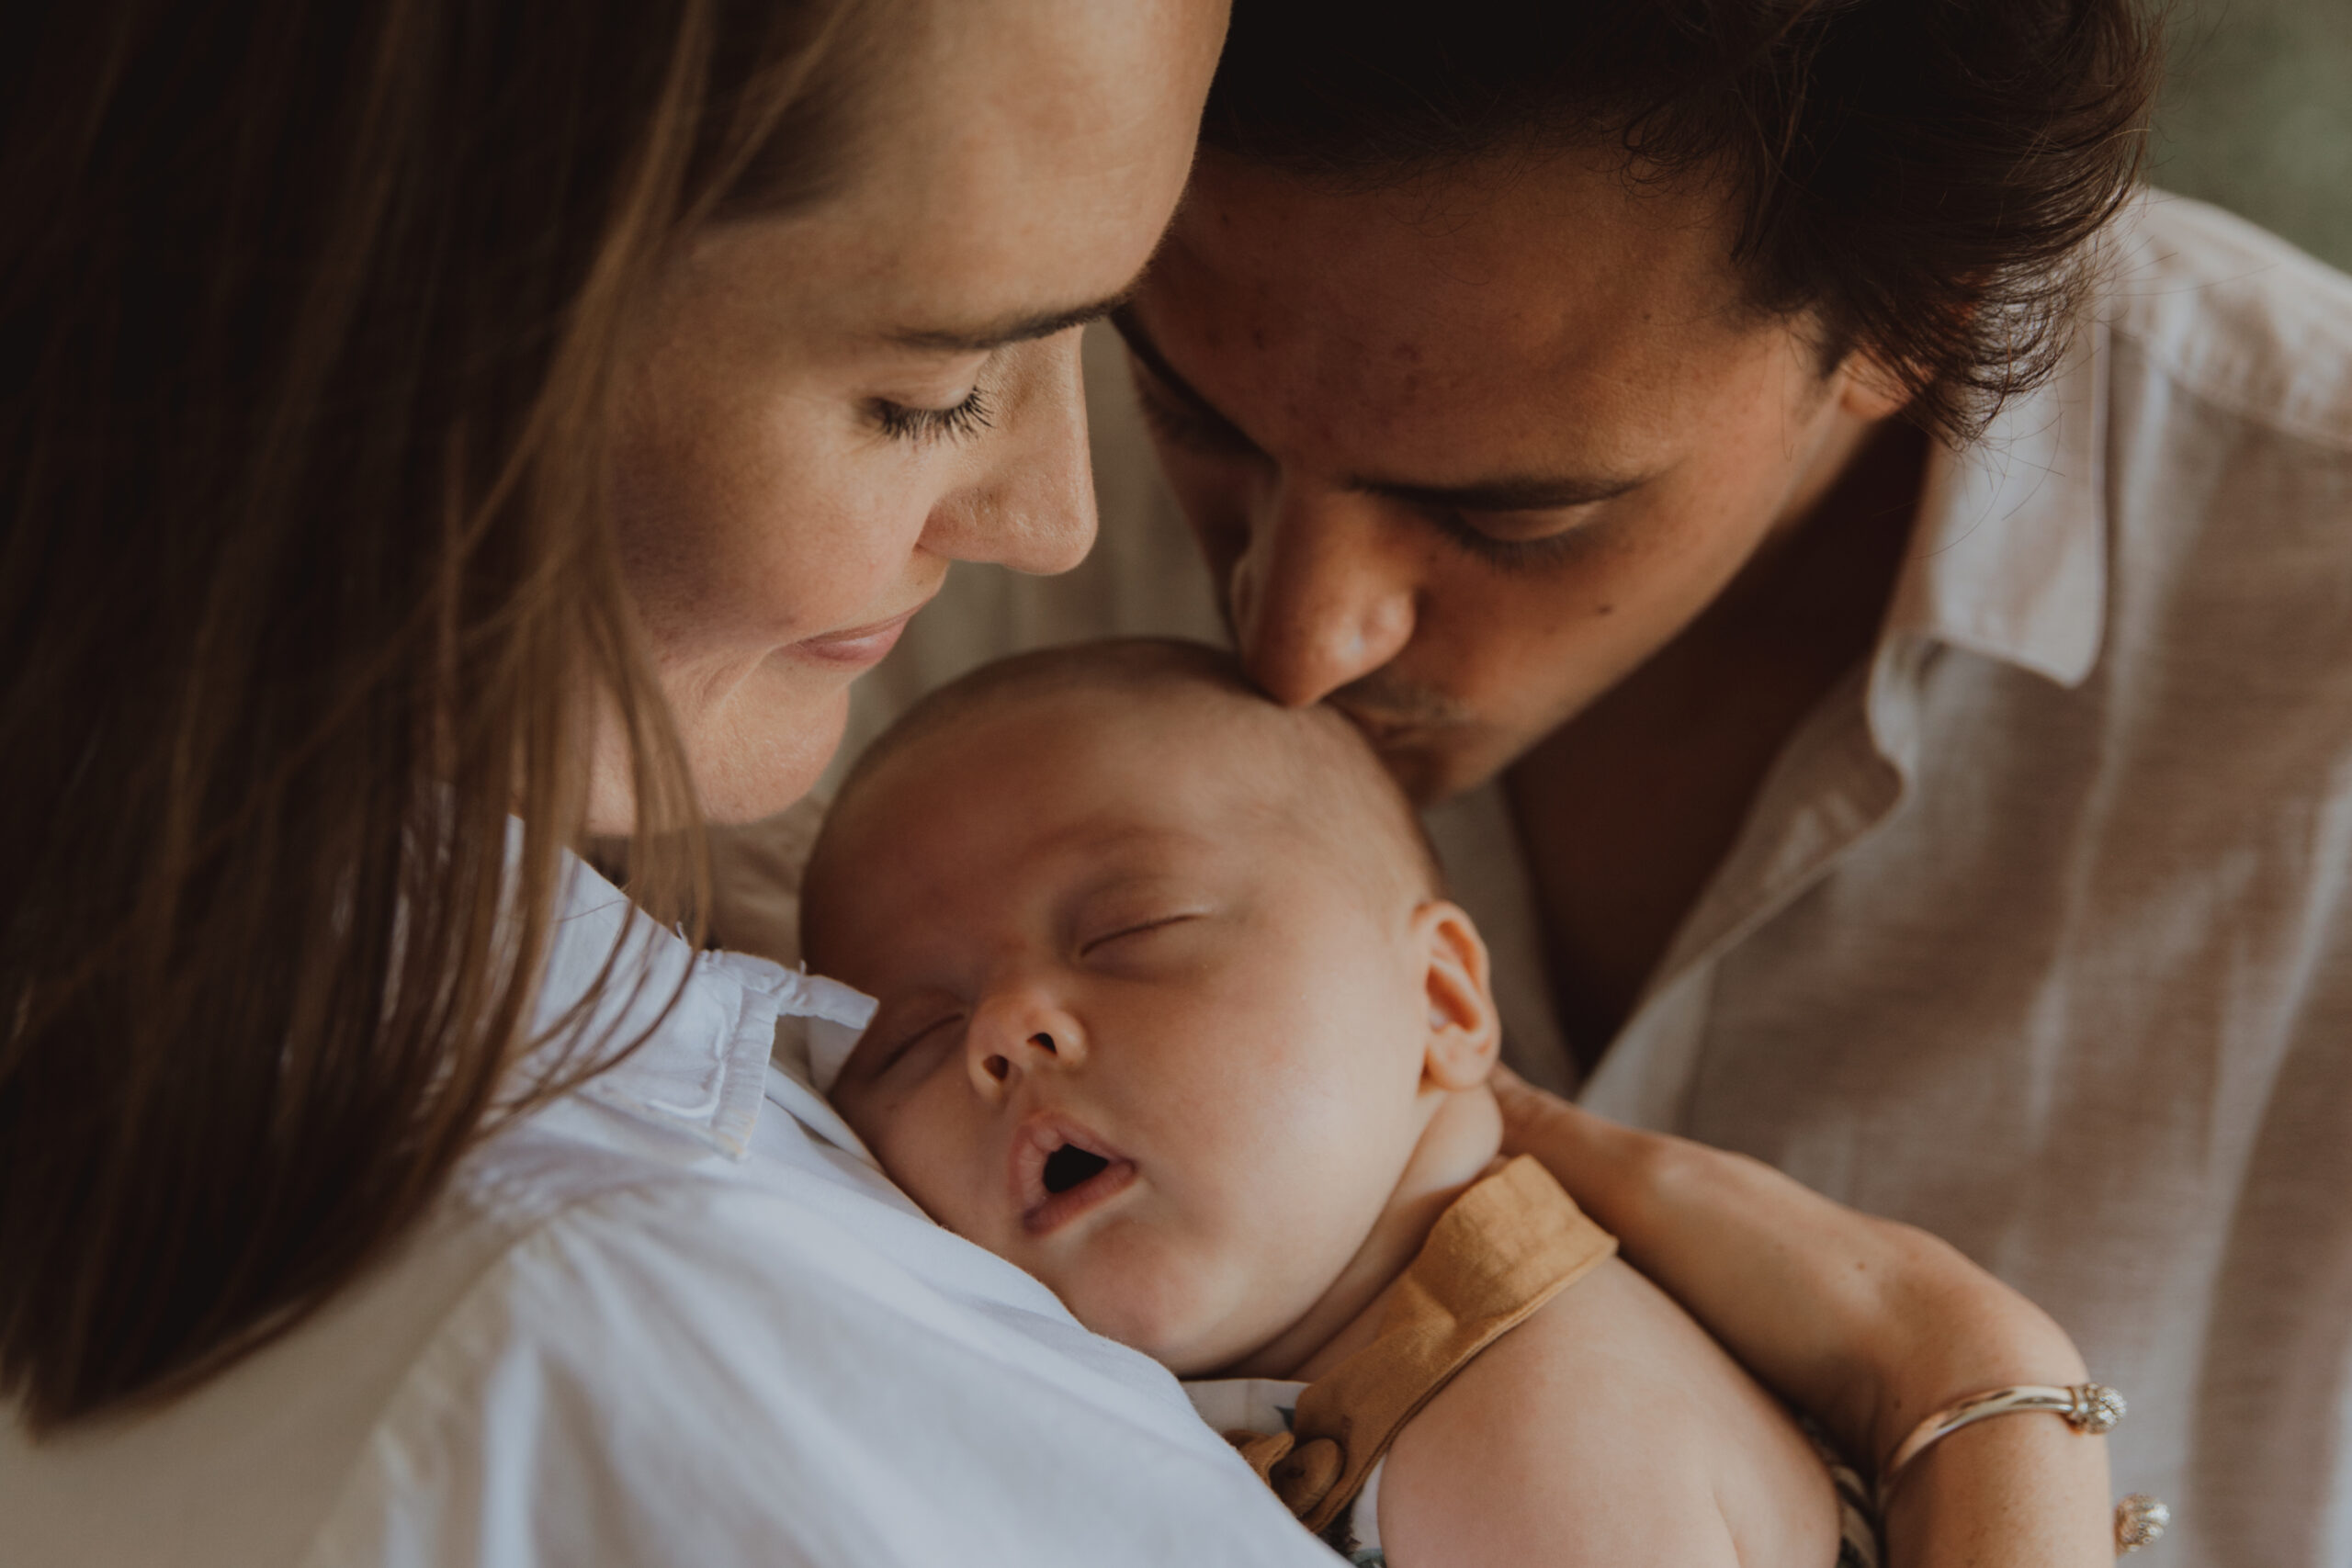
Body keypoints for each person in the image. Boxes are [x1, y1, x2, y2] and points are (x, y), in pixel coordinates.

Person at [0, 3, 2125, 1565]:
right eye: (943, 388)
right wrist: (1982, 1430)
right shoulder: (635, 1308)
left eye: (1515, 516)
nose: (1277, 647)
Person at [846, 4, 2341, 1564]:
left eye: (1516, 517)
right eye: (1200, 419)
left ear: (1922, 320)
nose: (1294, 641)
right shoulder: (949, 416)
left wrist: (1975, 1396)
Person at [800, 637, 1886, 1568]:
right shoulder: (1309, 1371)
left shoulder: (1534, 1425)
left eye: (1131, 933)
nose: (1003, 1029)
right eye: (912, 1040)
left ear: (1440, 1001)